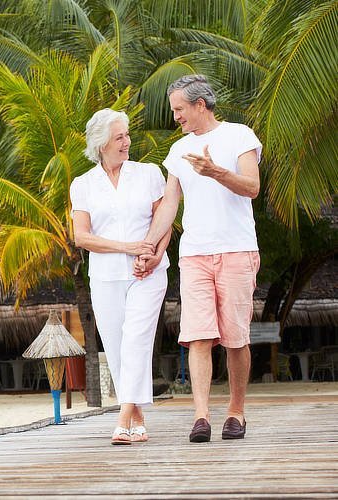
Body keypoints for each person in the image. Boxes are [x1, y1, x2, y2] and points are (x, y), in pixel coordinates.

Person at [135, 74, 261, 443]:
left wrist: (216, 172)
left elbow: (252, 187)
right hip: (194, 254)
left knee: (236, 339)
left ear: (200, 105)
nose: (175, 117)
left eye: (179, 109)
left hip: (237, 249)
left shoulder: (240, 135)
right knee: (198, 337)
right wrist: (148, 246)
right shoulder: (177, 151)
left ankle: (236, 412)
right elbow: (169, 205)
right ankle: (201, 417)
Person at [70, 108, 171, 445]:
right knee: (115, 347)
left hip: (148, 274)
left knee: (136, 341)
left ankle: (123, 416)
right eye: (119, 137)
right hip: (104, 276)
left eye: (127, 135)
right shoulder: (83, 184)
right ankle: (139, 419)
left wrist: (154, 256)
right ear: (101, 144)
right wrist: (128, 247)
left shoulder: (149, 173)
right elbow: (81, 236)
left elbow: (165, 222)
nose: (127, 142)